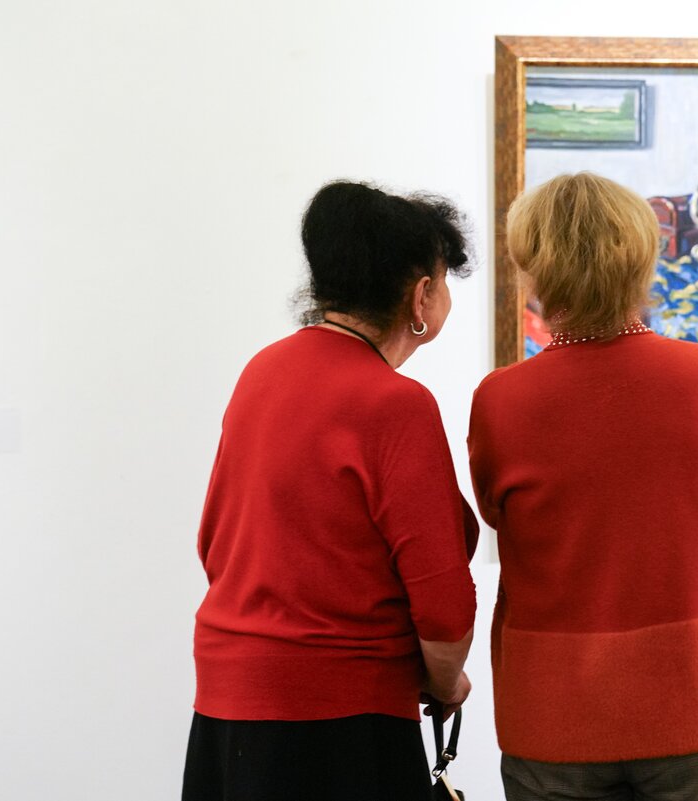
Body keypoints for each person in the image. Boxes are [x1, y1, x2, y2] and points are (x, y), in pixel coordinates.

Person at [468, 172, 698, 801]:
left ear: (534, 271)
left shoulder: (501, 400)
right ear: (643, 259)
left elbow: (496, 515)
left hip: (555, 715)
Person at [182, 180, 479, 801]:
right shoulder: (396, 404)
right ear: (421, 295)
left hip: (228, 701)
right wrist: (446, 681)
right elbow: (443, 602)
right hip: (341, 719)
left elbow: (216, 542)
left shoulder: (262, 371)